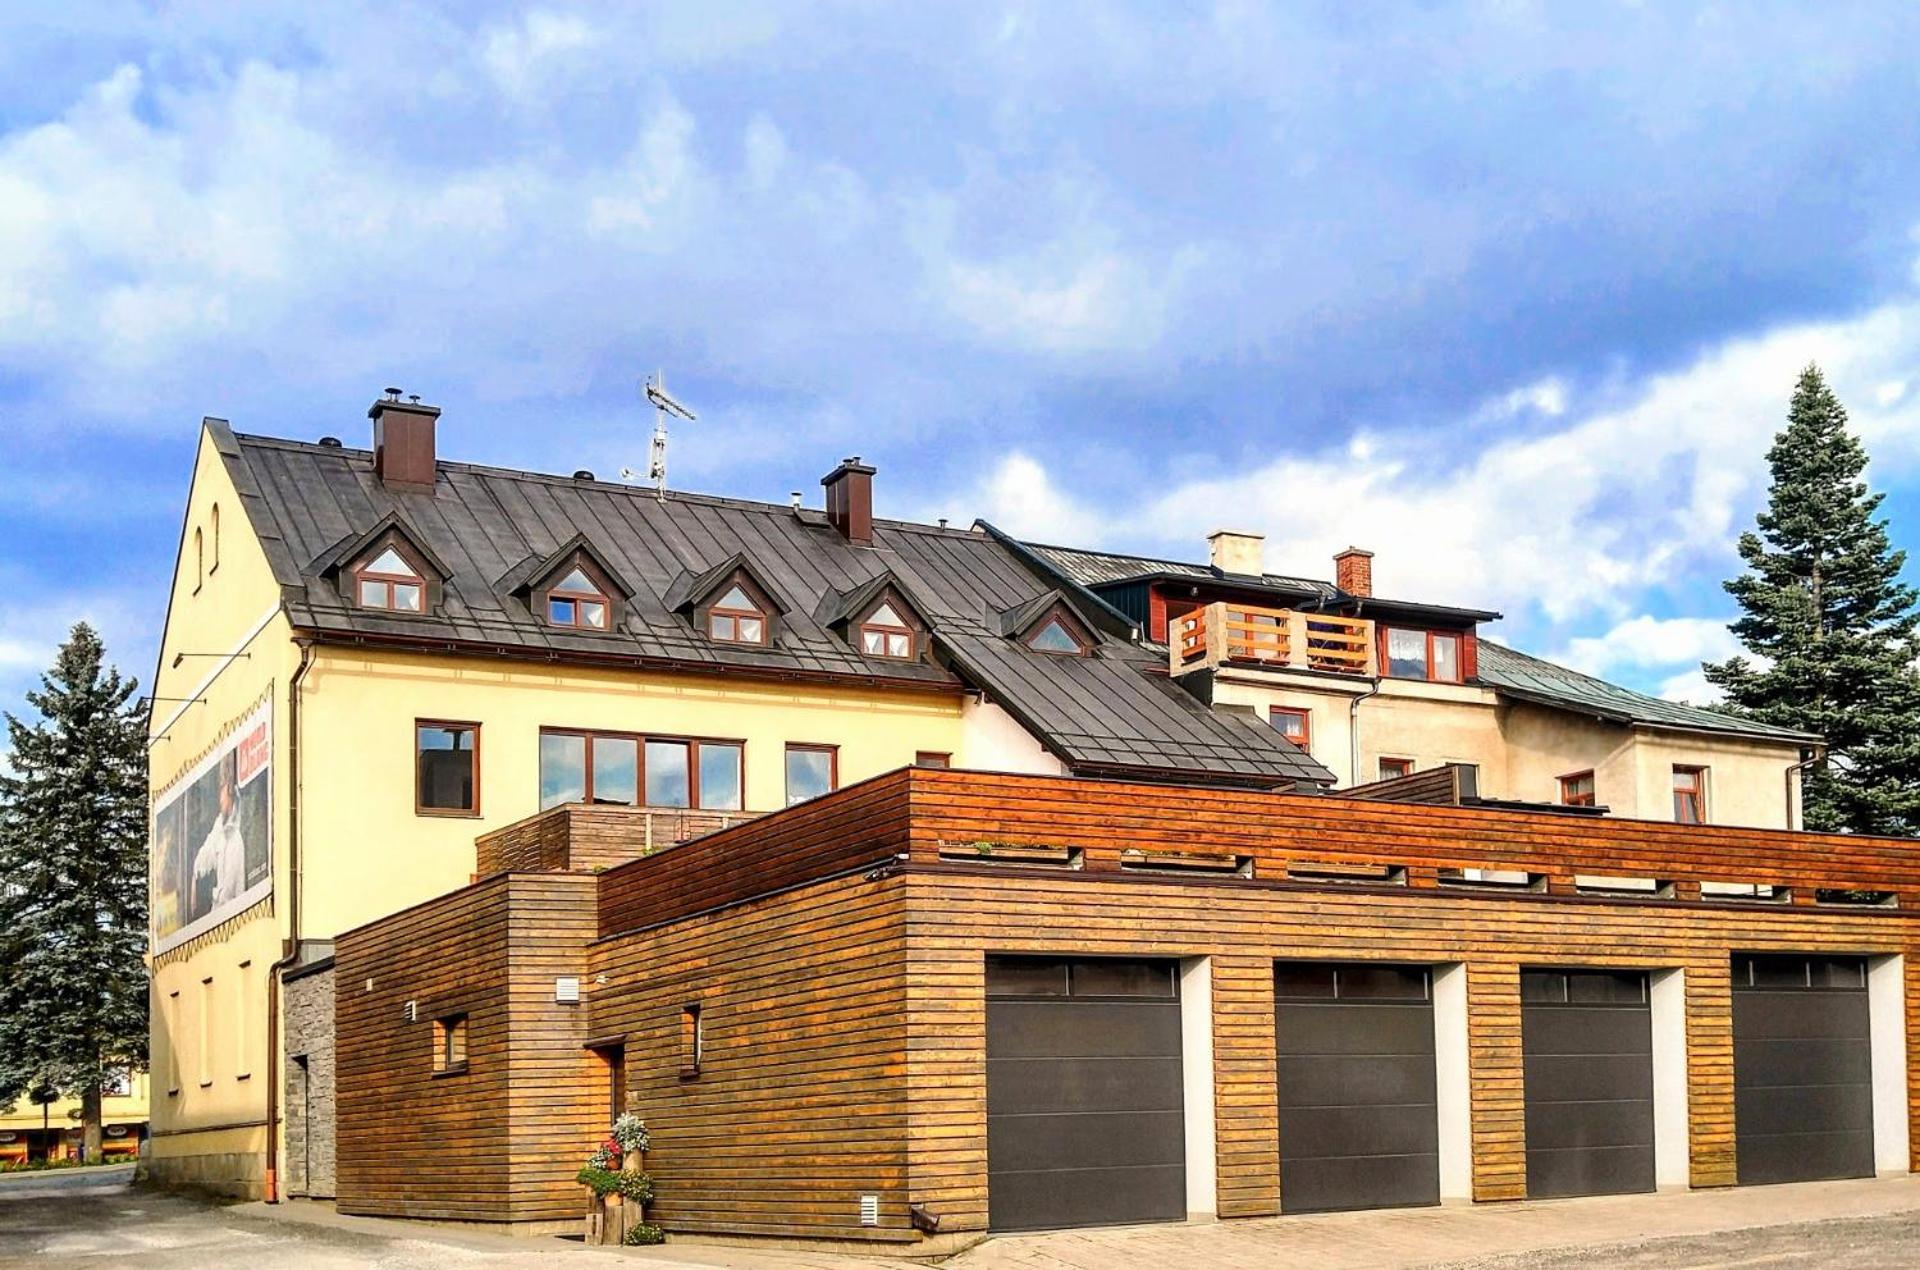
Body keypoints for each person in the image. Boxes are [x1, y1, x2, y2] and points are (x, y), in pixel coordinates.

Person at [190, 754, 246, 916]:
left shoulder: (236, 840)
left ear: (229, 789)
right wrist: (194, 877)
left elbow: (229, 895)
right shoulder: (219, 828)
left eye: (221, 790)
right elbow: (202, 861)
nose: (219, 799)